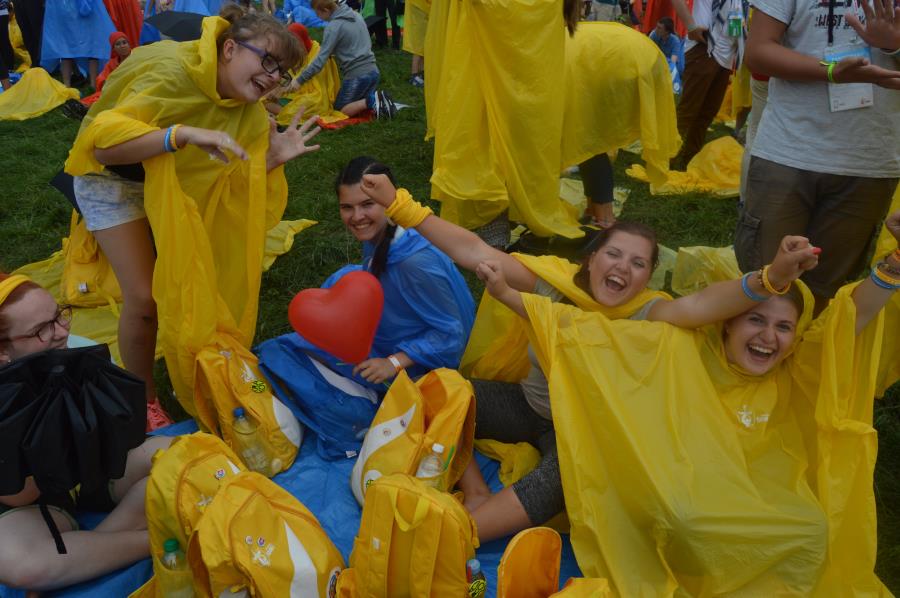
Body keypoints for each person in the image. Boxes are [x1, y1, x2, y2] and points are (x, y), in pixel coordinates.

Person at [358, 174, 821, 542]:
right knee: (436, 387)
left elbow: (703, 304)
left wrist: (772, 278)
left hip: (582, 433)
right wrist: (401, 206)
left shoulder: (649, 313)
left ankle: (455, 535)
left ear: (647, 278)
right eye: (614, 254)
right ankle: (476, 490)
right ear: (591, 259)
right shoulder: (553, 285)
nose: (623, 267)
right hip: (528, 406)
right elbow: (476, 250)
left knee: (570, 479)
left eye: (638, 264)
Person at [475, 211, 900, 593]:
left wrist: (892, 264)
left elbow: (850, 320)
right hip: (683, 485)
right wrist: (510, 296)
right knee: (682, 520)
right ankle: (464, 523)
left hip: (767, 492)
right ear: (727, 325)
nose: (768, 337)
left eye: (784, 327)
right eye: (755, 319)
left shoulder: (795, 369)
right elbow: (593, 334)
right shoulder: (687, 350)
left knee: (812, 531)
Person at [64, 8, 320, 429]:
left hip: (175, 189)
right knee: (144, 300)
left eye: (282, 71)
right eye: (268, 61)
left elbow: (232, 189)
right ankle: (143, 400)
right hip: (113, 180)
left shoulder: (249, 113)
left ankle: (216, 372)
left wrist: (271, 159)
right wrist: (178, 135)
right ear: (230, 48)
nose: (273, 77)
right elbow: (103, 148)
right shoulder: (170, 72)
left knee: (197, 284)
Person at [257, 157, 475, 459]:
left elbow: (453, 335)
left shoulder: (415, 263)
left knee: (281, 352)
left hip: (421, 365)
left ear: (388, 199)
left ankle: (370, 405)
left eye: (367, 205)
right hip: (390, 331)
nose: (357, 217)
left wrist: (393, 363)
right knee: (302, 334)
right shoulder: (382, 234)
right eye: (347, 207)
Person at [0, 273, 173, 592]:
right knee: (21, 564)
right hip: (30, 506)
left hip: (90, 473)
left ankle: (89, 550)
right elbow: (20, 493)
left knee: (179, 454)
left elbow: (125, 433)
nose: (62, 331)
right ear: (2, 351)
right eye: (41, 330)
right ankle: (158, 540)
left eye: (59, 315)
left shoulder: (77, 351)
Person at [735, 0, 900, 311]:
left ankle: (810, 342)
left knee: (828, 290)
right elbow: (757, 51)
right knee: (766, 281)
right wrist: (831, 72)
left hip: (871, 159)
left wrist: (894, 46)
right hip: (787, 150)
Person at [289, 0, 397, 119]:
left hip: (357, 77)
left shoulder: (333, 27)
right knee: (357, 109)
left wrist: (299, 80)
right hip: (374, 72)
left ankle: (373, 99)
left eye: (318, 13)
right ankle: (376, 101)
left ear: (326, 10)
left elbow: (319, 61)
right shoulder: (356, 15)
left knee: (339, 111)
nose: (317, 17)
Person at [669, 0, 744, 169]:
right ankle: (667, 159)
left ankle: (690, 160)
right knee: (688, 110)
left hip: (726, 55)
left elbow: (736, 11)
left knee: (707, 113)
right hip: (703, 47)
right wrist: (691, 27)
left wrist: (737, 41)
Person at [42, 0, 116, 89]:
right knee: (91, 45)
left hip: (65, 8)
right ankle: (92, 85)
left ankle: (69, 86)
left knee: (66, 48)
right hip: (76, 8)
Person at [81, 31, 132, 106]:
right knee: (98, 97)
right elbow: (102, 78)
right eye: (118, 44)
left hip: (131, 88)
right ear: (114, 49)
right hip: (114, 89)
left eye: (124, 43)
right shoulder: (112, 63)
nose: (122, 46)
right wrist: (107, 82)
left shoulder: (136, 57)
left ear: (129, 44)